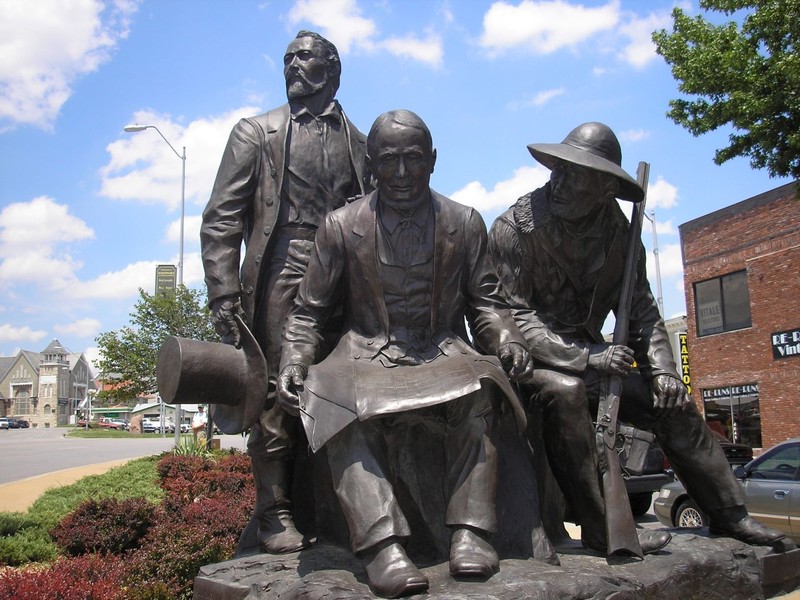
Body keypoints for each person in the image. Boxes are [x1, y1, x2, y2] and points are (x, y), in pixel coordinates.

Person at [488, 122, 795, 553]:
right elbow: (513, 316)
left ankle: (730, 516)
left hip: (598, 359)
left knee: (674, 403)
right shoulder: (515, 228)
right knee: (568, 393)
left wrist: (664, 371)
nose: (559, 181)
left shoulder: (620, 235)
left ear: (603, 189)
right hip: (535, 361)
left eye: (574, 175)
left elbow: (643, 311)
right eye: (559, 169)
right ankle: (602, 529)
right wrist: (589, 356)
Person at [278, 110, 533, 598]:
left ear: (432, 161)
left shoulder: (464, 222)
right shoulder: (340, 226)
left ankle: (472, 533)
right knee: (330, 402)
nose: (399, 173)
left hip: (441, 351)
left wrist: (509, 339)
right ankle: (382, 546)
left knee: (484, 388)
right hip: (366, 356)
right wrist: (294, 360)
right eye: (388, 161)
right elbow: (308, 313)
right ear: (370, 163)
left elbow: (487, 303)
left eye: (412, 160)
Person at [200, 31, 370, 555]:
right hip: (283, 266)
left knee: (343, 384)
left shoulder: (360, 141)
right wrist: (223, 291)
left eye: (305, 57)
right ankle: (273, 514)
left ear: (333, 69)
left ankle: (339, 507)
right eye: (287, 58)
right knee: (277, 387)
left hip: (343, 269)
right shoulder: (256, 132)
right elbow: (222, 217)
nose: (293, 65)